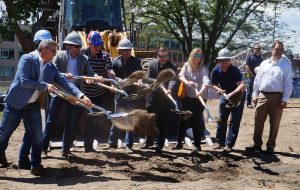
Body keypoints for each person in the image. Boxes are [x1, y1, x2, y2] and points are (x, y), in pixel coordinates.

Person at [0, 39, 92, 176]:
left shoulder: (50, 66)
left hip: (32, 105)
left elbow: (65, 82)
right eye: (53, 51)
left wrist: (81, 95)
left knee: (37, 136)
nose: (55, 54)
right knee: (4, 134)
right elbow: (24, 81)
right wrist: (45, 86)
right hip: (15, 104)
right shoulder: (27, 59)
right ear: (43, 49)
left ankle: (35, 166)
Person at [42, 31, 98, 158]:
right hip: (59, 90)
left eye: (79, 47)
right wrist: (63, 75)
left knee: (71, 121)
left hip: (75, 92)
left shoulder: (83, 59)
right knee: (51, 120)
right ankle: (43, 147)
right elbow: (52, 72)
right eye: (76, 46)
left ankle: (65, 149)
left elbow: (90, 73)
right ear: (69, 46)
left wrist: (95, 77)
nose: (78, 49)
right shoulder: (60, 56)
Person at [245, 41, 293, 154]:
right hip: (262, 95)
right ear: (272, 49)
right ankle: (257, 144)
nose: (279, 51)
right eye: (277, 49)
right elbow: (257, 80)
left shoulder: (286, 66)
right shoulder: (264, 64)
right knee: (258, 120)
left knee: (275, 122)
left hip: (277, 96)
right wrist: (255, 95)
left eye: (281, 50)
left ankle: (270, 146)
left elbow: (288, 84)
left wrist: (285, 99)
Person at [105, 38, 143, 152]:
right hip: (120, 94)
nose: (127, 52)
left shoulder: (136, 62)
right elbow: (112, 76)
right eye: (124, 50)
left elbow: (139, 75)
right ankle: (112, 143)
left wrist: (139, 81)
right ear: (120, 51)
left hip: (131, 94)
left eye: (128, 50)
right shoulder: (115, 61)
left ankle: (128, 145)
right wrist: (114, 83)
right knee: (117, 118)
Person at [80, 31, 115, 152]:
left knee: (93, 120)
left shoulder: (105, 56)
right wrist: (86, 78)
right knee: (80, 119)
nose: (97, 48)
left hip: (97, 94)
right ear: (88, 44)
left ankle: (89, 147)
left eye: (99, 46)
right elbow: (78, 70)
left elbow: (110, 71)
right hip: (83, 94)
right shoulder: (82, 54)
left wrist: (113, 82)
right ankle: (70, 144)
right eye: (95, 46)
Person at [173, 48, 209, 153]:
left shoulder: (203, 68)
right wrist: (187, 82)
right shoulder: (186, 65)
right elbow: (180, 76)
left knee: (196, 121)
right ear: (191, 55)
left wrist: (201, 91)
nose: (197, 58)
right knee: (183, 120)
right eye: (195, 55)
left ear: (201, 58)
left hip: (199, 99)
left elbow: (206, 81)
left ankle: (197, 145)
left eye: (199, 56)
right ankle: (179, 143)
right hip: (187, 97)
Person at [211, 48, 246, 153]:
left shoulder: (235, 71)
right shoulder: (216, 70)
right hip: (225, 95)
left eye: (226, 60)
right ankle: (219, 142)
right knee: (221, 118)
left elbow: (242, 85)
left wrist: (232, 94)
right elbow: (213, 84)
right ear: (219, 61)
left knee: (234, 120)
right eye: (222, 60)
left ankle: (229, 144)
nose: (224, 62)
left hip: (237, 96)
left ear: (230, 60)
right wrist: (219, 89)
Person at [143, 47, 177, 154]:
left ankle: (160, 144)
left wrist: (170, 90)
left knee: (162, 122)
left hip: (164, 99)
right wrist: (157, 81)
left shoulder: (172, 66)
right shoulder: (152, 64)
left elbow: (173, 81)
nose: (162, 59)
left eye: (165, 57)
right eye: (160, 56)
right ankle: (148, 141)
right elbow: (147, 78)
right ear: (157, 55)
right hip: (152, 97)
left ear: (168, 56)